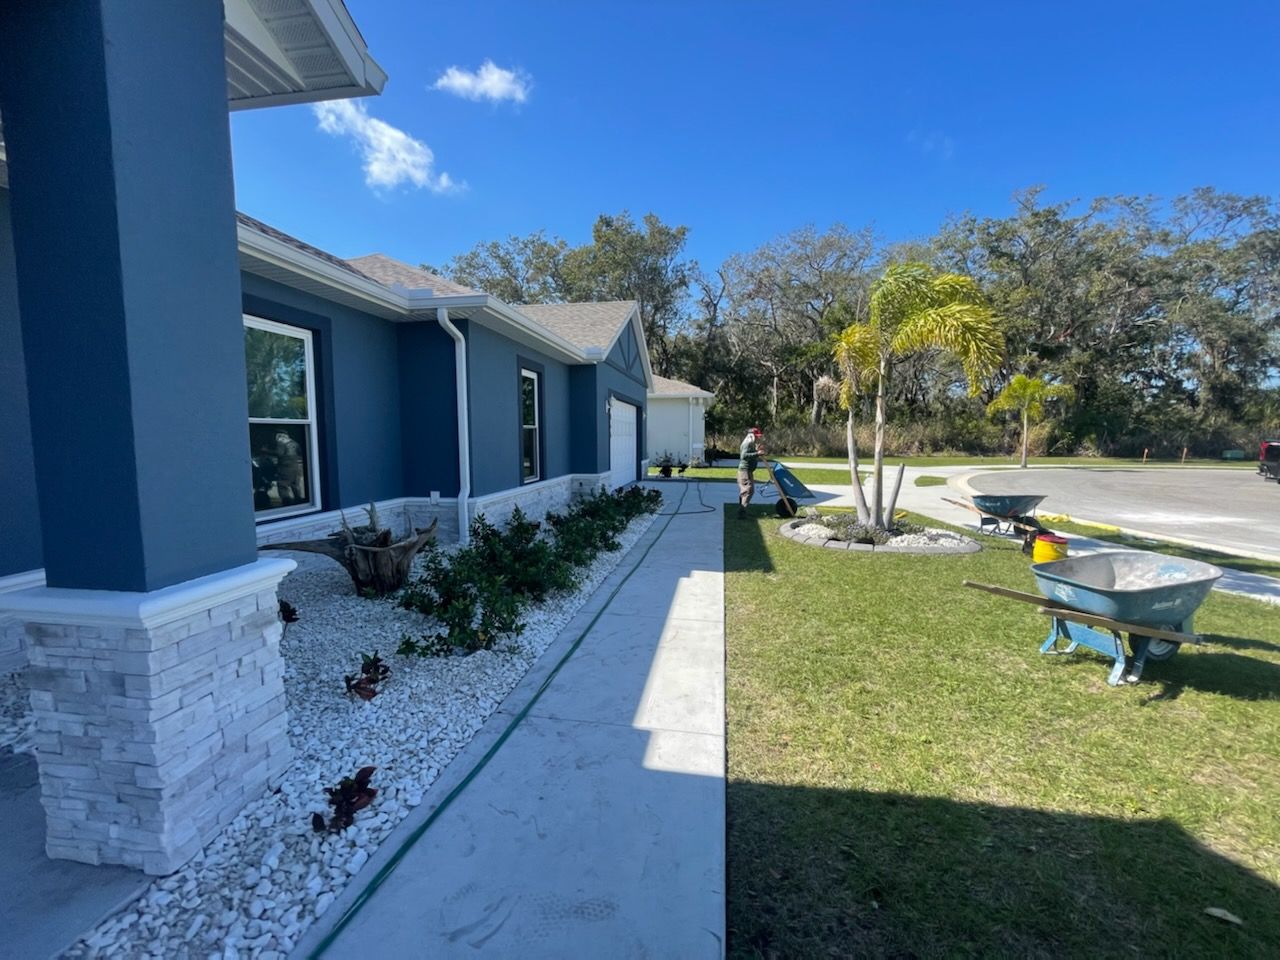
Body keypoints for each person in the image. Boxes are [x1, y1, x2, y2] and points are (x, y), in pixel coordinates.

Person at [737, 427, 764, 518]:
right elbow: (743, 456)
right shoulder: (747, 443)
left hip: (748, 471)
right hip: (745, 471)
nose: (757, 438)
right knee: (748, 490)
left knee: (745, 491)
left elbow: (749, 453)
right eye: (756, 436)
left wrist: (756, 450)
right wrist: (757, 454)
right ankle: (742, 512)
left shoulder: (751, 444)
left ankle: (742, 511)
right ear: (751, 436)